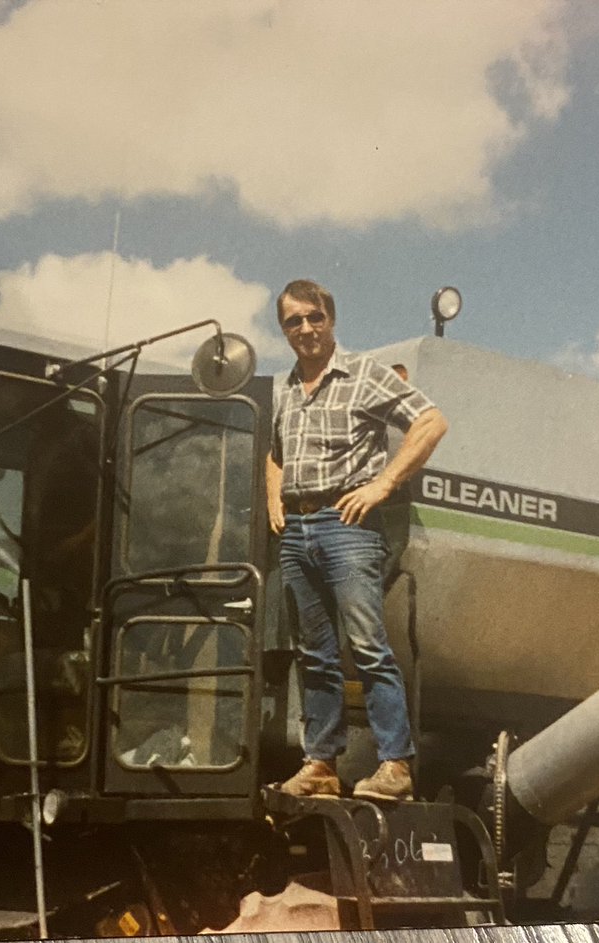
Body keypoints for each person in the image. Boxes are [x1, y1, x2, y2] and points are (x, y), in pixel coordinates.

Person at [266, 279, 447, 801]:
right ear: (284, 330)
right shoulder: (284, 387)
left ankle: (396, 765)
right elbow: (274, 454)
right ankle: (321, 764)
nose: (305, 328)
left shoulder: (363, 373)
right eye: (293, 321)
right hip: (298, 533)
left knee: (368, 646)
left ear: (331, 319)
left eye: (314, 317)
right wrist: (276, 499)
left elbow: (431, 422)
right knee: (313, 654)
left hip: (348, 528)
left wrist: (384, 484)